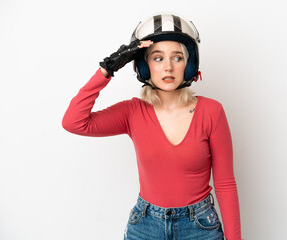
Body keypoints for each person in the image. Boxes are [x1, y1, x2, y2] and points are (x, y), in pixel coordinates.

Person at [62, 13, 243, 240]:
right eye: (157, 58)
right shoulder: (132, 112)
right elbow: (74, 122)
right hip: (145, 226)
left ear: (189, 65)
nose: (168, 67)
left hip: (200, 226)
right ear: (144, 66)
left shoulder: (212, 111)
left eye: (177, 58)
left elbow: (225, 183)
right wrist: (106, 70)